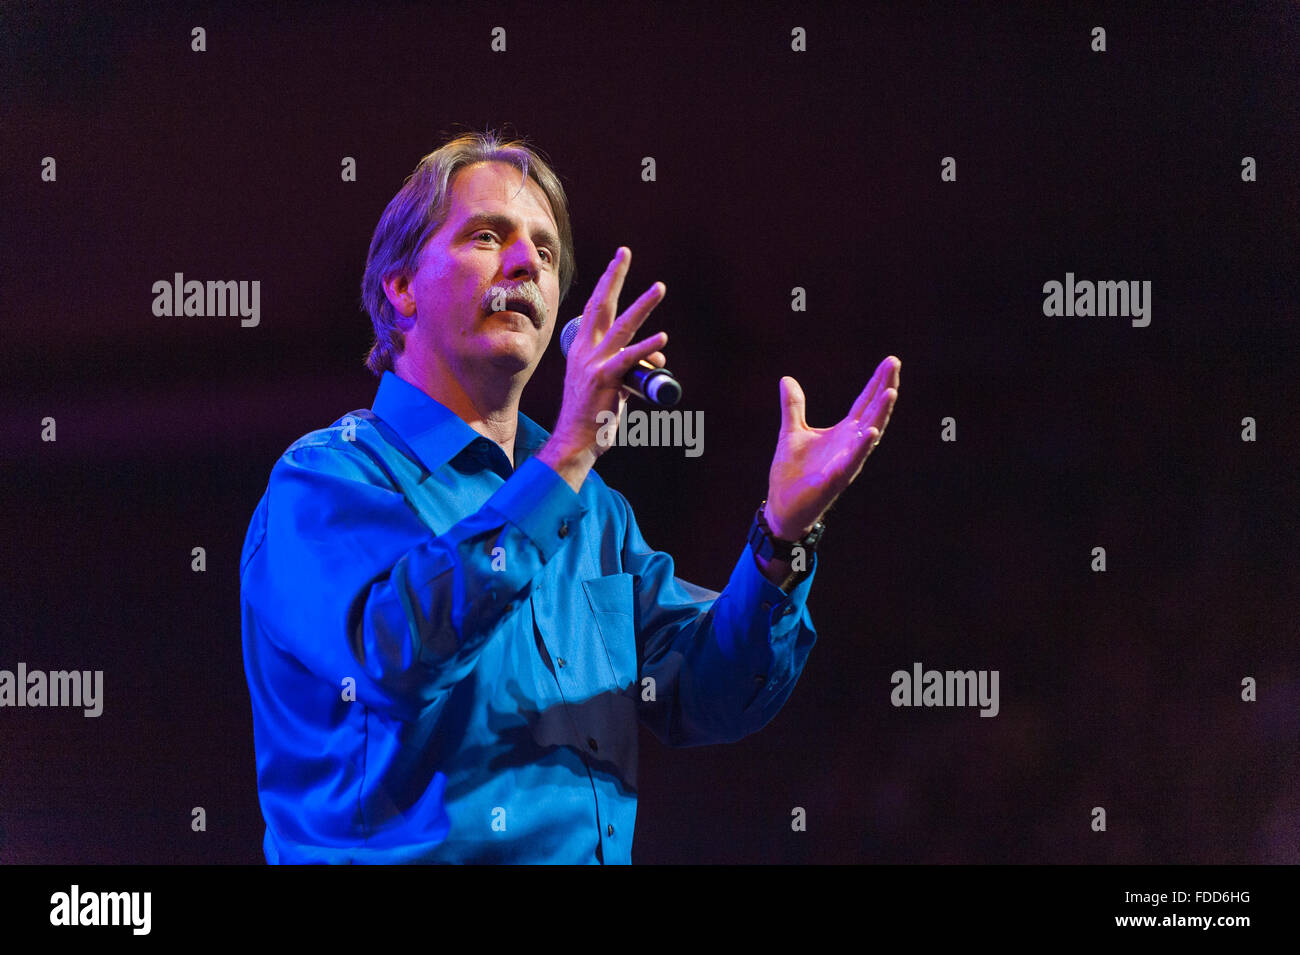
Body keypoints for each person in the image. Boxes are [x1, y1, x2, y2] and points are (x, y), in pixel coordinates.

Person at [239, 131, 900, 864]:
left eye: (545, 253)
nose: (525, 262)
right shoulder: (325, 482)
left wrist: (780, 536)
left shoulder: (594, 510)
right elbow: (394, 658)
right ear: (401, 287)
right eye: (488, 236)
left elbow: (706, 692)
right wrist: (569, 453)